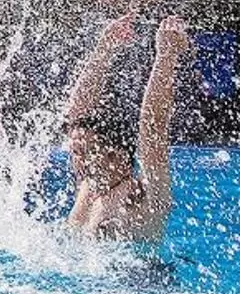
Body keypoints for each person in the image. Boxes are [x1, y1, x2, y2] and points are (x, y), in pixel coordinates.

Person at [60, 14, 193, 243]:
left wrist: (166, 57)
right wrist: (105, 48)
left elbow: (153, 131)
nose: (75, 161)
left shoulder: (143, 195)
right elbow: (74, 116)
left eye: (81, 153)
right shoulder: (89, 187)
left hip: (141, 278)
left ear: (116, 156)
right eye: (75, 153)